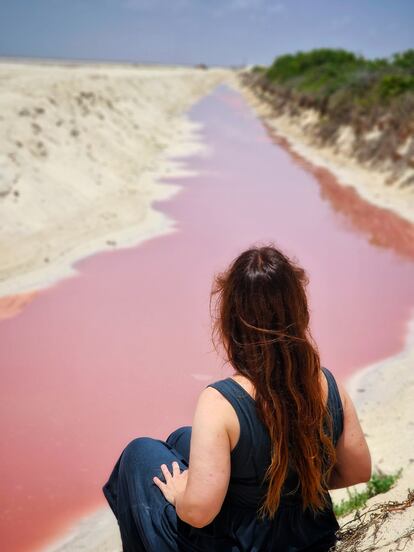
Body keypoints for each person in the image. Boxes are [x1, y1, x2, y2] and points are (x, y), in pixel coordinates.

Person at [102, 245, 371, 551]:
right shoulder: (325, 384)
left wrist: (181, 495)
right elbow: (357, 470)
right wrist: (295, 488)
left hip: (246, 544)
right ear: (300, 311)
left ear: (232, 321)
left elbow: (199, 514)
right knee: (181, 439)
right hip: (313, 536)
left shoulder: (220, 403)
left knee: (139, 454)